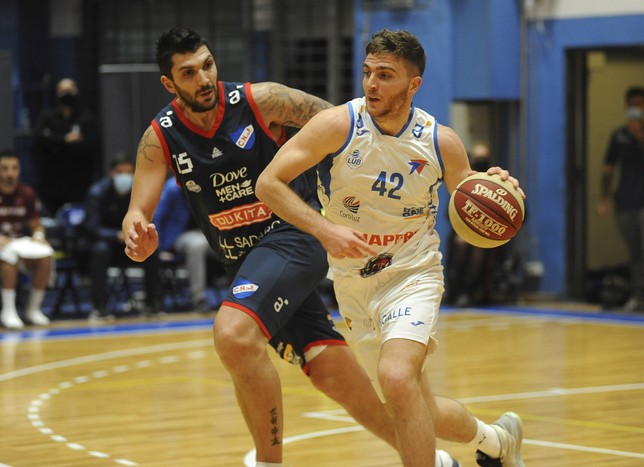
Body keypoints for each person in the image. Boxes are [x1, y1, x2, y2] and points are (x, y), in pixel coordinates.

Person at [122, 28, 460, 467]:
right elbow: (137, 213)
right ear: (170, 84)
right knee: (336, 379)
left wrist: (382, 178)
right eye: (188, 73)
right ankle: (433, 458)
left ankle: (268, 462)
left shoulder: (262, 100)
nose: (203, 78)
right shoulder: (159, 137)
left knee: (233, 335)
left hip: (296, 236)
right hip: (248, 264)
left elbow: (343, 124)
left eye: (207, 64)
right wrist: (137, 236)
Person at [257, 29, 526, 467]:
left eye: (385, 75)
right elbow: (268, 183)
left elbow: (471, 205)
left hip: (412, 272)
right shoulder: (338, 125)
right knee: (415, 403)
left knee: (397, 380)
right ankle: (496, 440)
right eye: (367, 73)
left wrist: (496, 188)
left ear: (413, 84)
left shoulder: (441, 142)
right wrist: (324, 229)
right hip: (352, 281)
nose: (371, 84)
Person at [597, 86, 644, 312]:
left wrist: (641, 137)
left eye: (638, 104)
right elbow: (608, 168)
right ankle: (638, 296)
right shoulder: (618, 135)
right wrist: (604, 198)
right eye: (630, 104)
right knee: (634, 252)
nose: (634, 108)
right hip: (626, 202)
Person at [84, 152, 161, 320]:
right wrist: (116, 235)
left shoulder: (137, 193)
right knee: (100, 250)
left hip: (128, 243)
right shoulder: (97, 193)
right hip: (104, 243)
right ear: (112, 173)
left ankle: (153, 304)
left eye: (128, 173)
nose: (124, 177)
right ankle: (99, 307)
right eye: (120, 172)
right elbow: (91, 228)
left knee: (152, 250)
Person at [0, 149, 53, 329]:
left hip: (16, 243)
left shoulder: (26, 193)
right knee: (8, 259)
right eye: (5, 168)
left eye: (14, 168)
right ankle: (8, 311)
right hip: (3, 249)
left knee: (45, 256)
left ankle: (33, 309)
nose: (10, 173)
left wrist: (38, 236)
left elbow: (36, 225)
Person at [33, 78, 99, 215]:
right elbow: (40, 139)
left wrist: (56, 142)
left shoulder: (86, 118)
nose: (67, 94)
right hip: (51, 183)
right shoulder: (47, 117)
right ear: (57, 93)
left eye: (70, 90)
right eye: (63, 91)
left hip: (78, 183)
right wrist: (65, 139)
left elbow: (89, 144)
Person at [445, 142, 497, 306]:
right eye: (478, 157)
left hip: (489, 233)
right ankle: (456, 288)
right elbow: (449, 213)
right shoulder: (466, 181)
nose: (481, 161)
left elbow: (522, 214)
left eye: (484, 158)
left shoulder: (497, 181)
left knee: (480, 246)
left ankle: (469, 290)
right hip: (464, 229)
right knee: (460, 242)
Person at [153, 175, 212, 312]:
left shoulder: (207, 181)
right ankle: (199, 299)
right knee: (197, 245)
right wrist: (159, 248)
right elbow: (158, 216)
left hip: (207, 233)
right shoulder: (172, 187)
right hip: (177, 236)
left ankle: (241, 297)